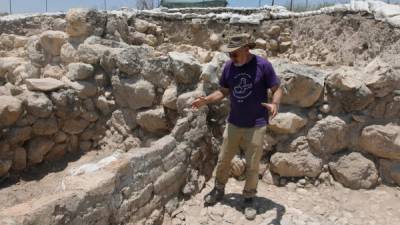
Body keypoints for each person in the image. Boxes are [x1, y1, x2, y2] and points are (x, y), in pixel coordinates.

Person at [191, 34, 283, 220]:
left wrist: (275, 104)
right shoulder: (229, 67)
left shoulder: (262, 65)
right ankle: (218, 189)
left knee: (252, 164)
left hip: (257, 124)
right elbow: (224, 91)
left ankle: (249, 197)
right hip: (234, 122)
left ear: (246, 49)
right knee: (224, 159)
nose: (231, 57)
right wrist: (206, 100)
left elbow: (277, 89)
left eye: (234, 54)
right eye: (229, 54)